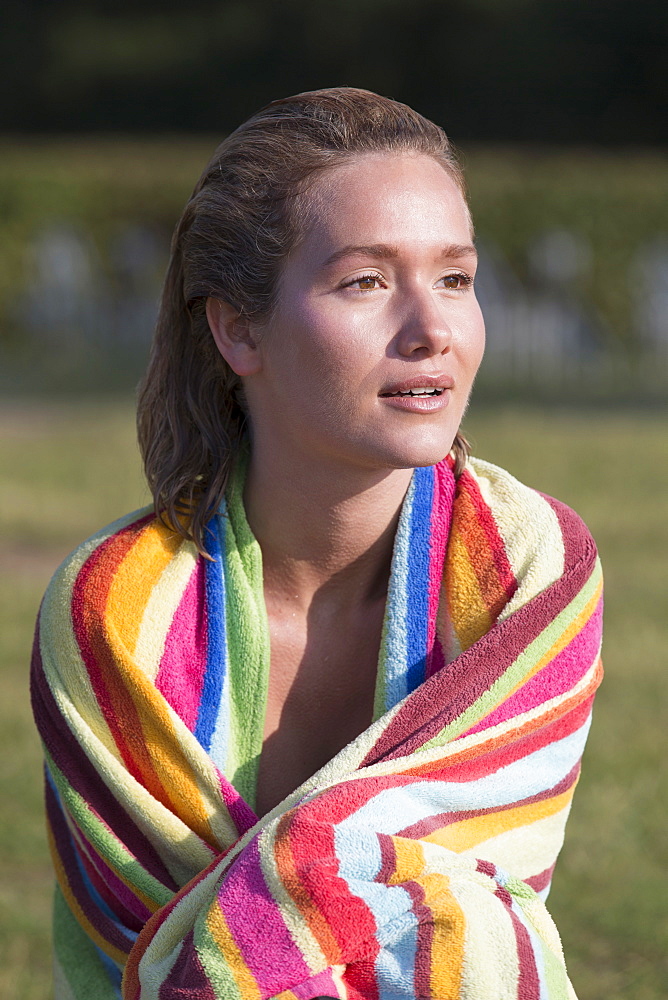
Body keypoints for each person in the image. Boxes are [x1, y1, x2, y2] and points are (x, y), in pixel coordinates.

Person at [31, 88, 603, 999]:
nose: (433, 332)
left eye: (455, 277)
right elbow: (157, 951)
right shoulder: (116, 616)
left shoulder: (529, 570)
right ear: (238, 328)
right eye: (366, 282)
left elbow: (466, 912)